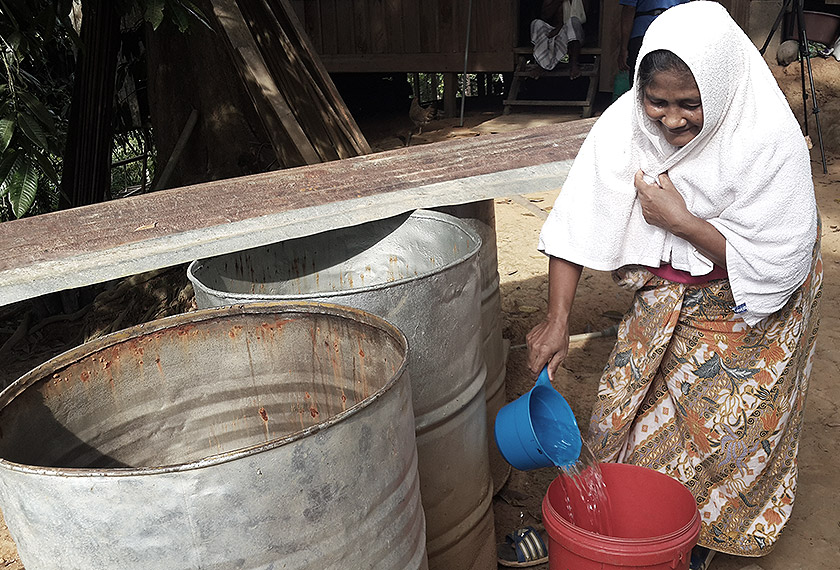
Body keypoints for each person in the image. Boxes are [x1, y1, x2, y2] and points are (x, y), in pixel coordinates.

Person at [526, 2, 821, 568]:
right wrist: (558, 317)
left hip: (754, 307)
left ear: (723, 87)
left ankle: (695, 540)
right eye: (657, 102)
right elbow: (577, 218)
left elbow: (779, 262)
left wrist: (681, 221)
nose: (671, 120)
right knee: (622, 411)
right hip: (668, 293)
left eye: (690, 104)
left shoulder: (766, 138)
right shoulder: (626, 123)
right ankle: (599, 524)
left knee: (723, 431)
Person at [619, 0, 690, 86]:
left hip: (642, 33)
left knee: (639, 81)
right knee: (669, 76)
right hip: (671, 33)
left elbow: (629, 9)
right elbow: (685, 10)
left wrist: (623, 48)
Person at [531, 0, 587, 79]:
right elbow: (545, 16)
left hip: (572, 36)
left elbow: (584, 20)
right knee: (536, 23)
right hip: (553, 34)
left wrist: (559, 29)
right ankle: (540, 64)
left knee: (573, 21)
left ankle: (574, 64)